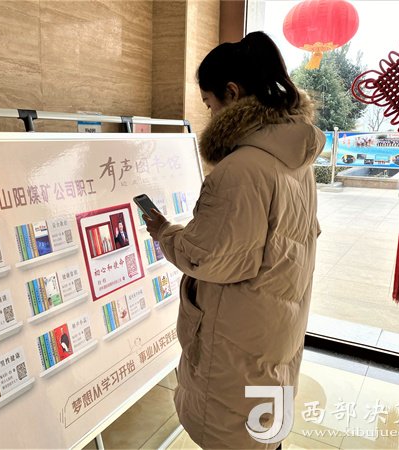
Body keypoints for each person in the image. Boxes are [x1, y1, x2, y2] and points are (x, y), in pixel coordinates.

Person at [144, 31, 325, 450]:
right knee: (264, 426)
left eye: (209, 103)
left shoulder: (240, 169)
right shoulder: (294, 158)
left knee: (233, 430)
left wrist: (163, 231)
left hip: (236, 333)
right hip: (275, 325)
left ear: (232, 92)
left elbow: (205, 257)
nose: (208, 114)